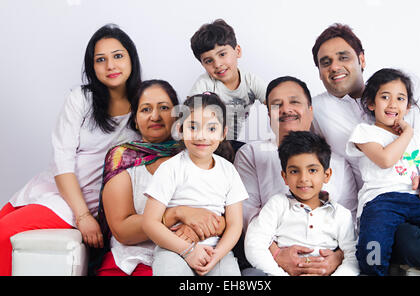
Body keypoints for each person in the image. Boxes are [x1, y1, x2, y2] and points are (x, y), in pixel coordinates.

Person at [0, 24, 142, 276]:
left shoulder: (145, 107)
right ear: (92, 66)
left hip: (81, 202)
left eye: (118, 56)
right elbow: (62, 159)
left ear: (131, 58)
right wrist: (82, 215)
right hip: (54, 188)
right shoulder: (80, 99)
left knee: (3, 237)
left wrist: (86, 216)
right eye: (101, 59)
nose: (111, 65)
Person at [311, 23, 420, 273]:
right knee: (406, 244)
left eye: (343, 57)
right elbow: (303, 156)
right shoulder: (316, 110)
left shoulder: (399, 96)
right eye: (325, 62)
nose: (334, 66)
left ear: (361, 59)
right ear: (319, 72)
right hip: (378, 205)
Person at [95, 80, 226, 276]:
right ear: (135, 119)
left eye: (164, 108)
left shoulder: (199, 153)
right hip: (131, 260)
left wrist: (195, 231)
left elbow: (221, 217)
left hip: (189, 257)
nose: (155, 116)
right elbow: (122, 230)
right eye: (146, 109)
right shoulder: (123, 157)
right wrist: (177, 214)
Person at [235, 76, 357, 276]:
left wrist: (336, 260)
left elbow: (351, 222)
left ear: (310, 111)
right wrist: (276, 254)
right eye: (276, 105)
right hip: (269, 261)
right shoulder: (252, 154)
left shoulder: (338, 163)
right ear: (268, 115)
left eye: (294, 102)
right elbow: (246, 215)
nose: (285, 109)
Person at [345, 68, 420, 275]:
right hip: (381, 201)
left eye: (400, 98)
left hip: (419, 199)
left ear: (408, 106)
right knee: (373, 245)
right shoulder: (365, 132)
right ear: (371, 103)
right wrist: (407, 132)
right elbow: (385, 159)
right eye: (385, 97)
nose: (393, 104)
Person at [142, 92, 248, 276]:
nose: (201, 136)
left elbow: (235, 225)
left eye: (211, 129)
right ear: (180, 130)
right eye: (193, 127)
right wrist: (188, 251)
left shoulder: (228, 171)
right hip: (174, 250)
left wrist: (217, 255)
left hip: (215, 251)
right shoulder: (170, 168)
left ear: (223, 133)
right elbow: (150, 222)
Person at [245, 131, 359, 276]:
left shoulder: (340, 214)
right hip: (279, 273)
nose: (303, 178)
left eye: (312, 170)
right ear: (284, 177)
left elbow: (353, 255)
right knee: (251, 275)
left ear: (327, 175)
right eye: (294, 171)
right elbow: (254, 244)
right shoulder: (278, 205)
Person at [189, 19, 267, 153]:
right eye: (209, 61)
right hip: (208, 139)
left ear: (238, 51)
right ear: (203, 65)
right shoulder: (204, 84)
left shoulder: (251, 81)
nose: (217, 64)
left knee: (248, 151)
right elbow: (190, 117)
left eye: (222, 54)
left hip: (231, 141)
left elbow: (275, 101)